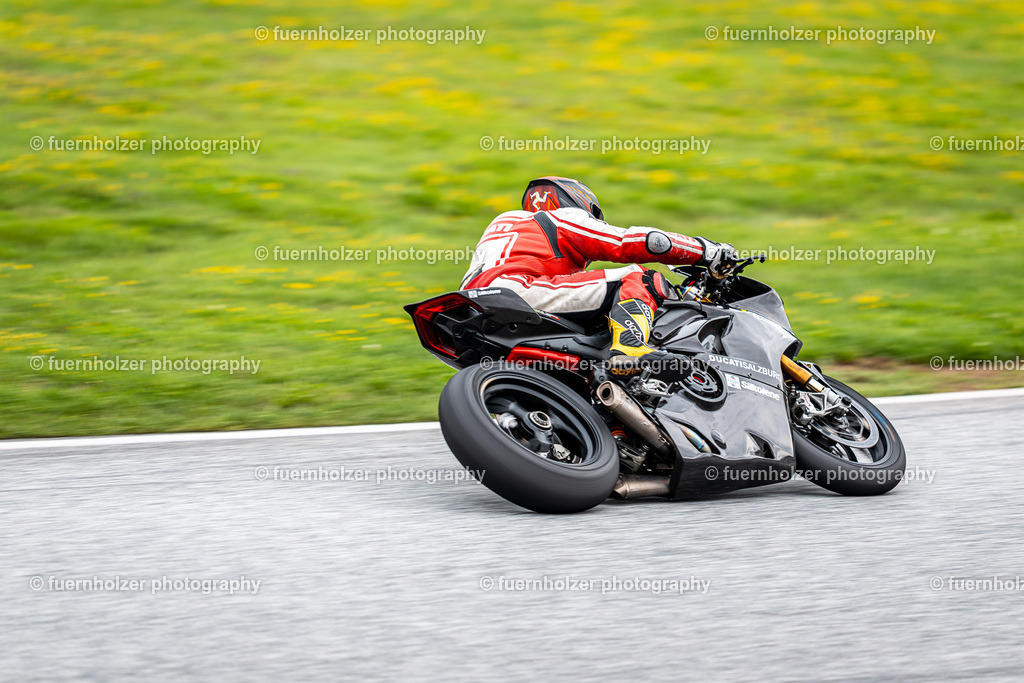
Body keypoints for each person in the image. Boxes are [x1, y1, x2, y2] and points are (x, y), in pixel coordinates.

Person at [461, 176, 738, 373]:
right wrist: (707, 250)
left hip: (474, 306)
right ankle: (629, 347)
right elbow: (636, 243)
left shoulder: (505, 225)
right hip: (522, 291)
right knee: (639, 277)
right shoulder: (560, 217)